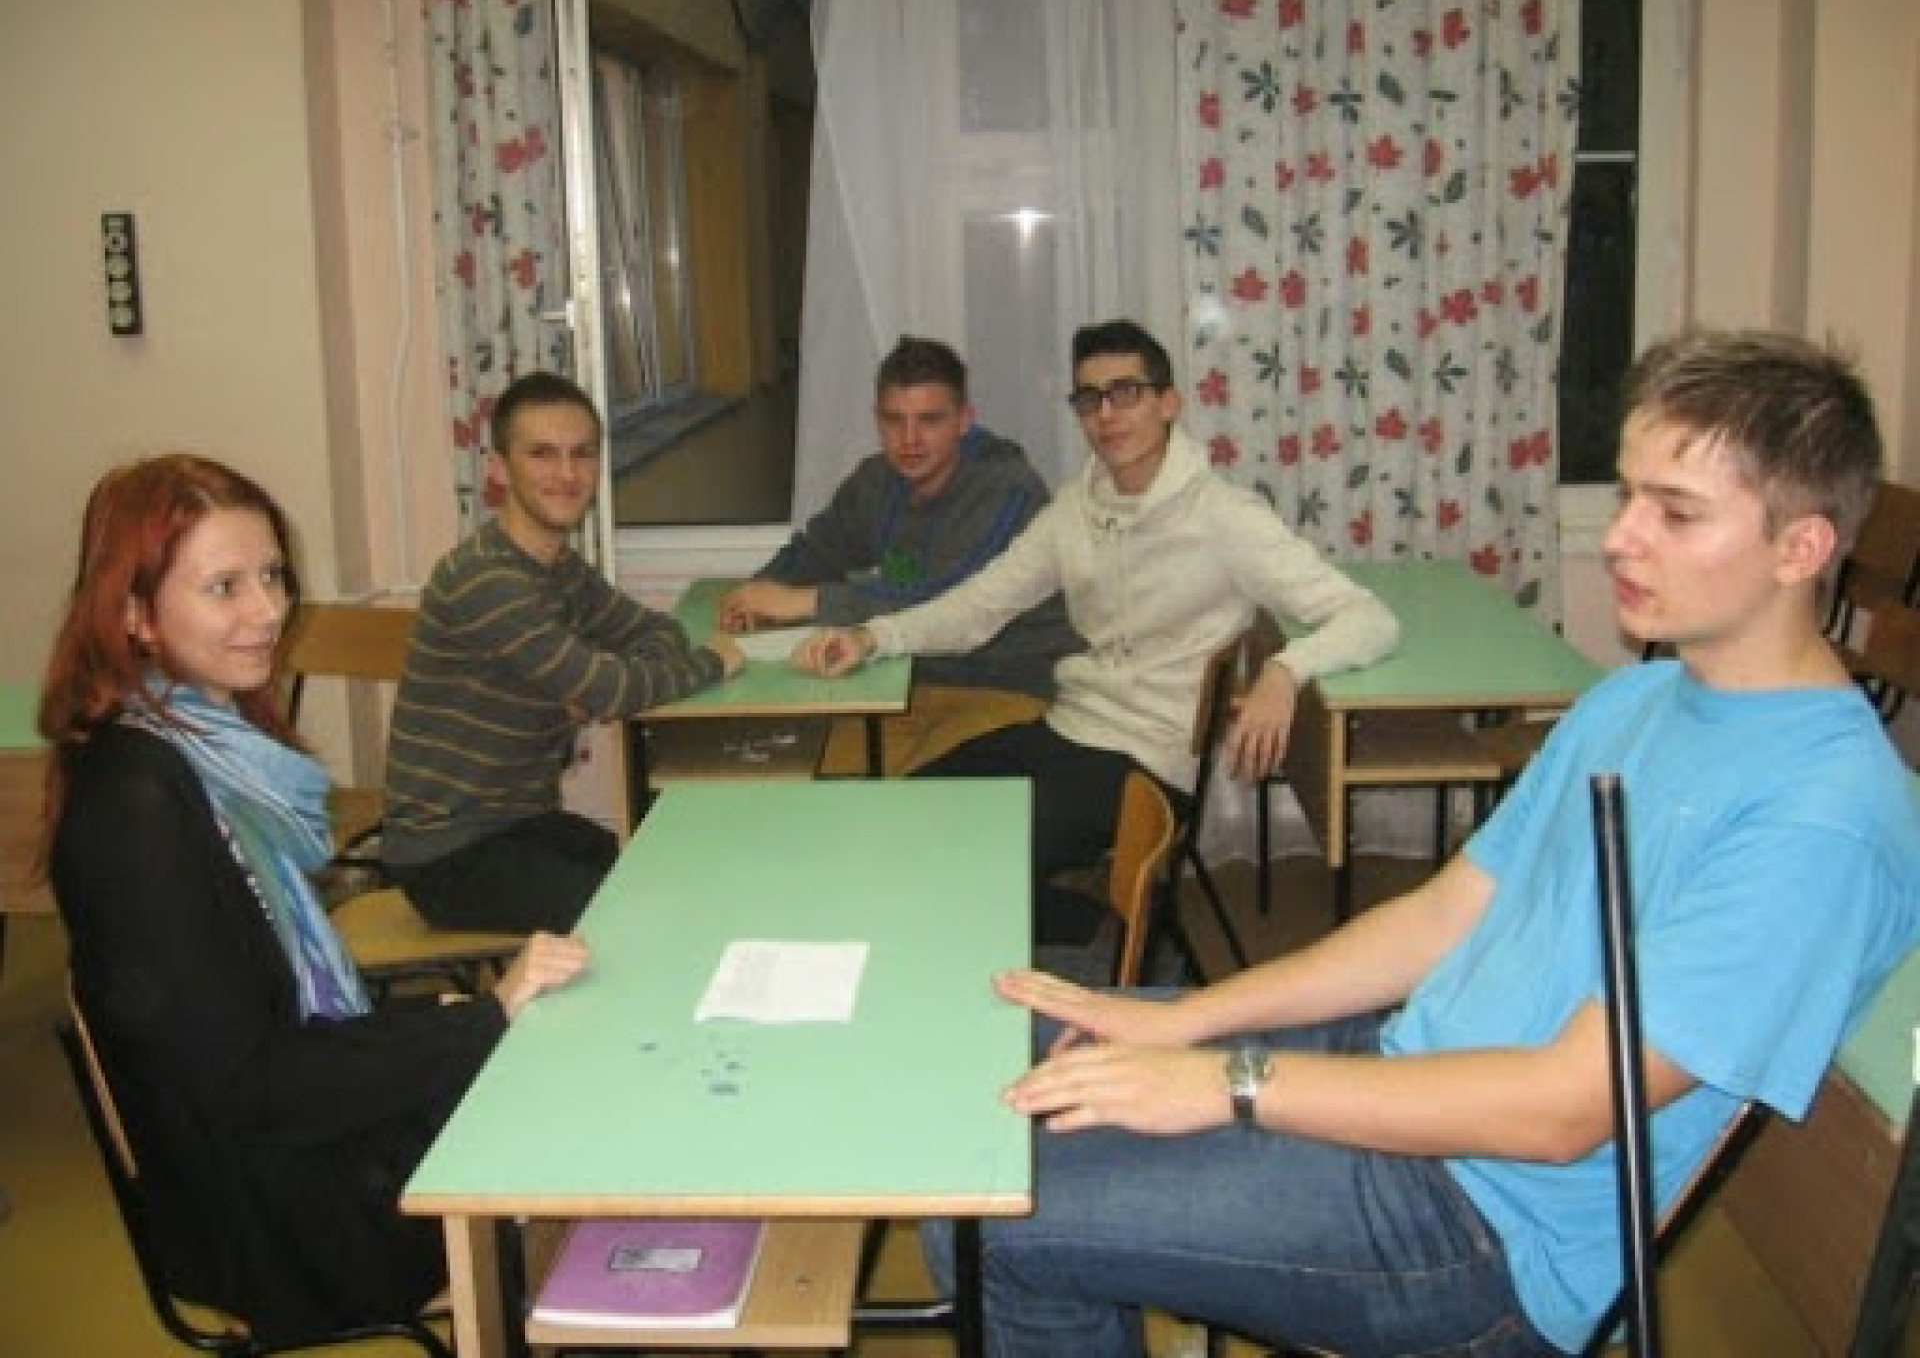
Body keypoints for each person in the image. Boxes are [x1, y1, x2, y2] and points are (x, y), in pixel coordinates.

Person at [925, 329, 1920, 1357]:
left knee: (988, 1219)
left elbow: (1565, 1113)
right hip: (1414, 1063)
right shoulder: (1635, 699)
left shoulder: (1824, 823)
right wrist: (1191, 1022)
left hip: (1485, 1230)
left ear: (1801, 549)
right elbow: (1446, 914)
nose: (1622, 538)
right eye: (1627, 496)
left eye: (1675, 512)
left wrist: (1231, 1080)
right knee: (999, 1065)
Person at [40, 455, 590, 1343]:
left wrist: (457, 1021)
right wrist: (479, 1019)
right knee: (589, 1117)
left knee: (569, 1063)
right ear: (134, 613)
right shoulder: (132, 802)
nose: (267, 611)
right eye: (224, 587)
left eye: (271, 576)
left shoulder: (207, 748)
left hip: (301, 1137)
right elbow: (253, 1087)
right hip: (291, 1214)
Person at [798, 319, 1399, 926]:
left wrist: (1284, 671)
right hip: (1071, 726)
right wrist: (873, 637)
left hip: (1150, 763)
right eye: (1090, 399)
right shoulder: (1076, 509)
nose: (1107, 414)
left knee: (965, 855)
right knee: (905, 812)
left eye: (1126, 393)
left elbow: (1369, 618)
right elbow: (980, 605)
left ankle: (1052, 929)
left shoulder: (1224, 517)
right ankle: (1071, 922)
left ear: (1168, 403)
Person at [382, 371, 741, 933]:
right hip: (449, 852)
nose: (568, 474)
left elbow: (656, 632)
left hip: (517, 823)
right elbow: (612, 691)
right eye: (542, 454)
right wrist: (714, 662)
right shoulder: (486, 579)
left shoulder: (560, 569)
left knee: (654, 870)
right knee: (636, 920)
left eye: (582, 454)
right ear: (498, 469)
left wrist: (591, 685)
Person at [718, 336, 1082, 774]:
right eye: (894, 420)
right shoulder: (875, 480)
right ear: (877, 420)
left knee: (918, 797)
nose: (910, 440)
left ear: (964, 420)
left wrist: (805, 601)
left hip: (1005, 688)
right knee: (802, 772)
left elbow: (946, 600)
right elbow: (818, 548)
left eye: (930, 420)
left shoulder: (1007, 489)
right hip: (902, 679)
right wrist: (760, 593)